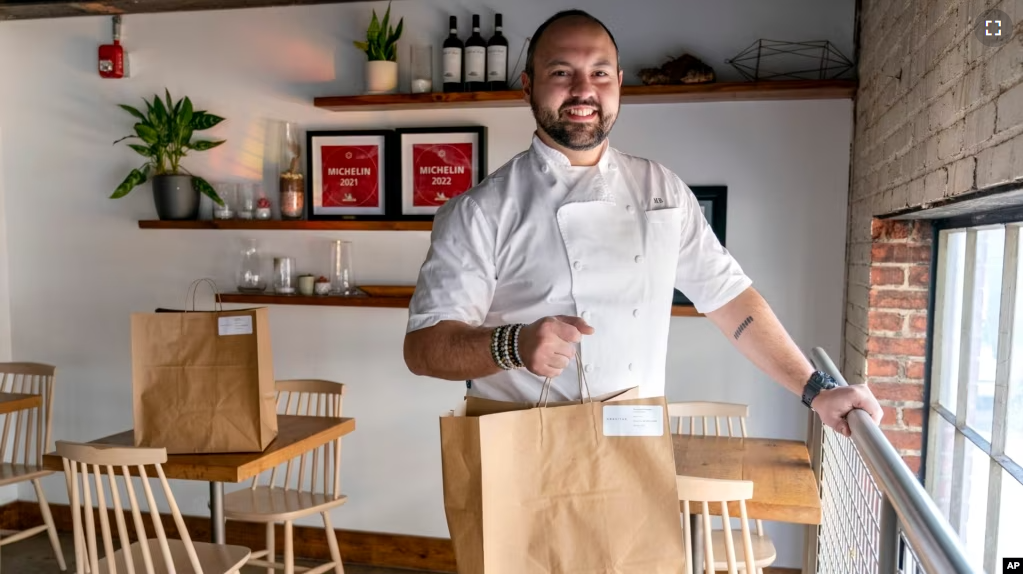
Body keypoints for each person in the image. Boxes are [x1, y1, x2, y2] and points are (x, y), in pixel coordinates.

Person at [403, 9, 882, 436]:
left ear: (619, 83)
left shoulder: (662, 190)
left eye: (600, 73)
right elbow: (424, 349)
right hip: (523, 446)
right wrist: (512, 343)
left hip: (635, 440)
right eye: (560, 71)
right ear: (528, 84)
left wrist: (817, 391)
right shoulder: (480, 210)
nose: (583, 89)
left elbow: (731, 301)